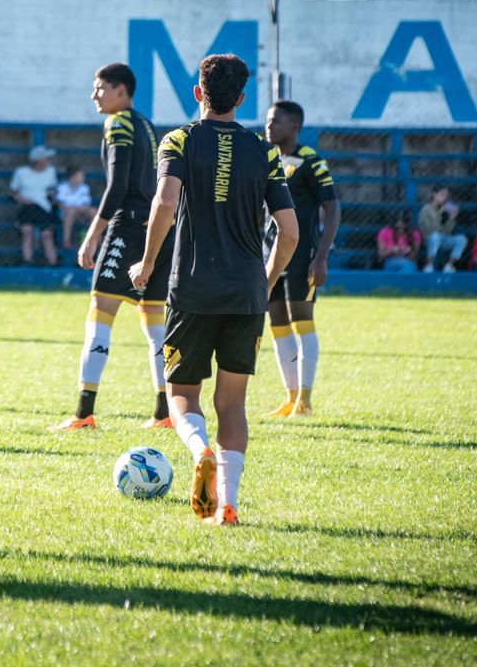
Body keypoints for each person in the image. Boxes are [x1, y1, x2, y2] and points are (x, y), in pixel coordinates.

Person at [129, 54, 297, 528]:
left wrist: (145, 262)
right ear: (241, 99)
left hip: (193, 289)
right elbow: (290, 233)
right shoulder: (263, 150)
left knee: (182, 395)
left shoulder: (179, 139)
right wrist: (263, 284)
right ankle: (227, 502)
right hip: (246, 293)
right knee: (232, 404)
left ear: (198, 93)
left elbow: (164, 203)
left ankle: (199, 450)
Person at [51, 63, 173, 432]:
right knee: (155, 325)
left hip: (127, 227)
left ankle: (84, 413)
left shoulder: (117, 123)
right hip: (157, 228)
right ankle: (163, 412)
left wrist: (93, 234)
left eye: (100, 87)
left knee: (101, 314)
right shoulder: (148, 126)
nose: (94, 95)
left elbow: (117, 184)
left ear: (122, 91)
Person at [262, 100, 340, 418]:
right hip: (272, 255)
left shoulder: (310, 162)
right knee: (277, 323)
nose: (269, 126)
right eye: (268, 120)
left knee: (302, 319)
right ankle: (290, 397)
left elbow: (332, 208)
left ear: (294, 126)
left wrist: (321, 256)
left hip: (302, 254)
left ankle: (305, 401)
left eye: (276, 121)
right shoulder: (267, 161)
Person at [10, 145, 59, 266]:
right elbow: (13, 192)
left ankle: (53, 263)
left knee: (46, 234)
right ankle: (27, 261)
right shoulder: (21, 173)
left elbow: (53, 191)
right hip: (27, 207)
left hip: (43, 208)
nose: (49, 160)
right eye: (47, 158)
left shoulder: (51, 172)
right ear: (38, 161)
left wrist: (53, 199)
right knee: (27, 231)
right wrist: (22, 199)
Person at [419, 186, 467, 272]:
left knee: (461, 239)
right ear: (434, 194)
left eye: (446, 196)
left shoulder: (444, 210)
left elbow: (447, 232)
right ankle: (429, 265)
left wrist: (452, 218)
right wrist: (439, 213)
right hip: (429, 239)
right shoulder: (426, 210)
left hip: (443, 238)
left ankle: (449, 265)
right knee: (435, 236)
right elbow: (431, 230)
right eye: (442, 195)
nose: (444, 198)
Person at [55, 168, 95, 251]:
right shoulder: (62, 187)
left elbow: (86, 205)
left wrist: (78, 210)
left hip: (81, 213)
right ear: (72, 177)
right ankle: (66, 241)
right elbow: (61, 204)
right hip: (65, 214)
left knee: (93, 211)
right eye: (80, 176)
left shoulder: (84, 188)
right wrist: (74, 210)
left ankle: (95, 240)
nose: (83, 178)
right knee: (71, 211)